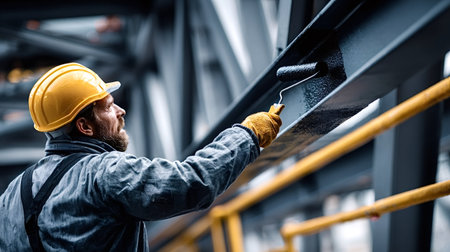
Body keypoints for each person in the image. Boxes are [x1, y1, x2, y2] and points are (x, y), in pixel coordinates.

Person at [0, 63, 284, 251]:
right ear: (85, 126)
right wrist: (247, 136)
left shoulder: (12, 195)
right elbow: (190, 184)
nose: (121, 112)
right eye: (109, 107)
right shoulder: (104, 172)